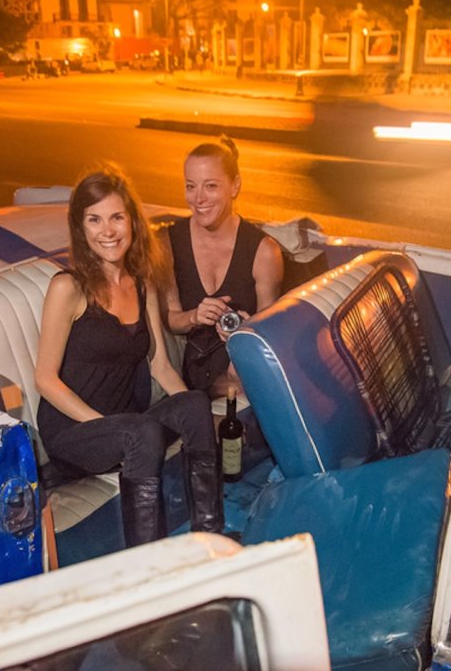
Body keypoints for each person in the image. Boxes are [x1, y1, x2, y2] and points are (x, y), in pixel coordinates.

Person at [35, 166, 223, 547]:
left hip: (129, 428)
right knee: (141, 431)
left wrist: (191, 410)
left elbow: (159, 365)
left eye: (117, 217)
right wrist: (106, 425)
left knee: (194, 402)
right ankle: (146, 559)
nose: (107, 231)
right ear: (81, 227)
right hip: (75, 434)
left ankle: (210, 532)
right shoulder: (68, 287)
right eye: (95, 219)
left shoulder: (141, 284)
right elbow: (45, 378)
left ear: (132, 223)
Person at [164, 137, 284, 398]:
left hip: (242, 368)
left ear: (235, 186)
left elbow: (268, 336)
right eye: (190, 186)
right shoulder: (169, 242)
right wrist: (195, 316)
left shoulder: (264, 251)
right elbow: (172, 319)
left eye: (211, 186)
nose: (198, 198)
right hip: (194, 373)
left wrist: (244, 332)